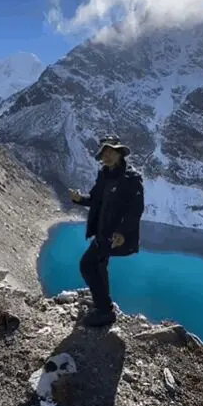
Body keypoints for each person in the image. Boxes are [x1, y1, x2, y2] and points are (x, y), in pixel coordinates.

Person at [69, 135, 144, 327]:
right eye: (104, 153)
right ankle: (103, 305)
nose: (107, 156)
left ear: (120, 153)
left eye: (111, 151)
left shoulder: (131, 178)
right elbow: (95, 199)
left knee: (87, 265)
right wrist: (79, 199)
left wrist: (122, 232)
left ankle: (104, 310)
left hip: (113, 236)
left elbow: (135, 209)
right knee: (99, 267)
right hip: (101, 232)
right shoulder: (104, 175)